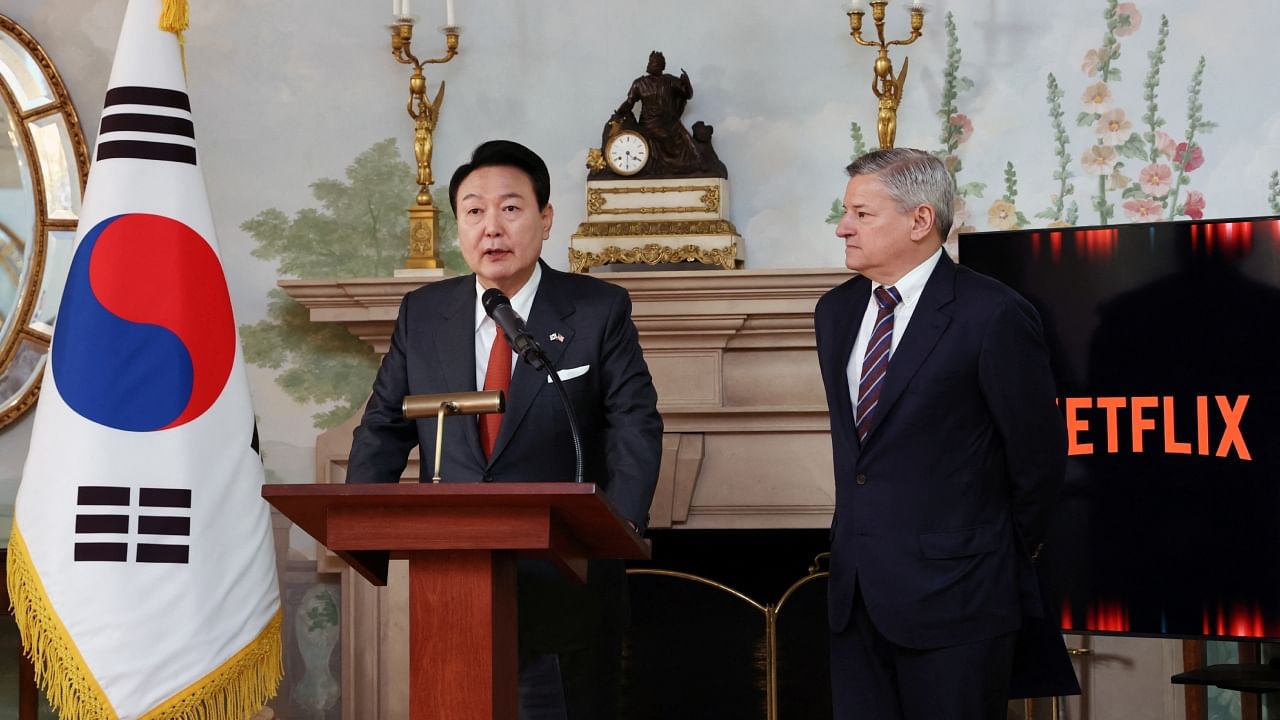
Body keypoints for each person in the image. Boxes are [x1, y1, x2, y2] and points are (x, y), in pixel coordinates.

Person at [346, 139, 663, 719]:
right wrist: (359, 522)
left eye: (511, 208)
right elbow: (385, 426)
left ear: (545, 219)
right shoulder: (423, 313)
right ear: (458, 225)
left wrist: (616, 530)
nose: (491, 227)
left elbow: (633, 425)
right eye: (474, 211)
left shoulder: (598, 308)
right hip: (453, 581)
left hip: (566, 580)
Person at [814, 148, 1067, 719]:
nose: (842, 227)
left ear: (920, 220)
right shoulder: (834, 311)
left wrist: (985, 550)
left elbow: (1039, 459)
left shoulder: (993, 313)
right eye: (845, 212)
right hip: (855, 600)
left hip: (961, 600)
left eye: (861, 213)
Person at [615, 51, 700, 174]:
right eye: (650, 62)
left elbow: (687, 94)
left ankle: (698, 163)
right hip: (649, 124)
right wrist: (619, 113)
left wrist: (686, 82)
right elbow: (629, 102)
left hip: (669, 122)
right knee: (663, 138)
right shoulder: (639, 83)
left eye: (653, 63)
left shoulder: (670, 80)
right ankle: (673, 165)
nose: (649, 65)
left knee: (686, 138)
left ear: (661, 66)